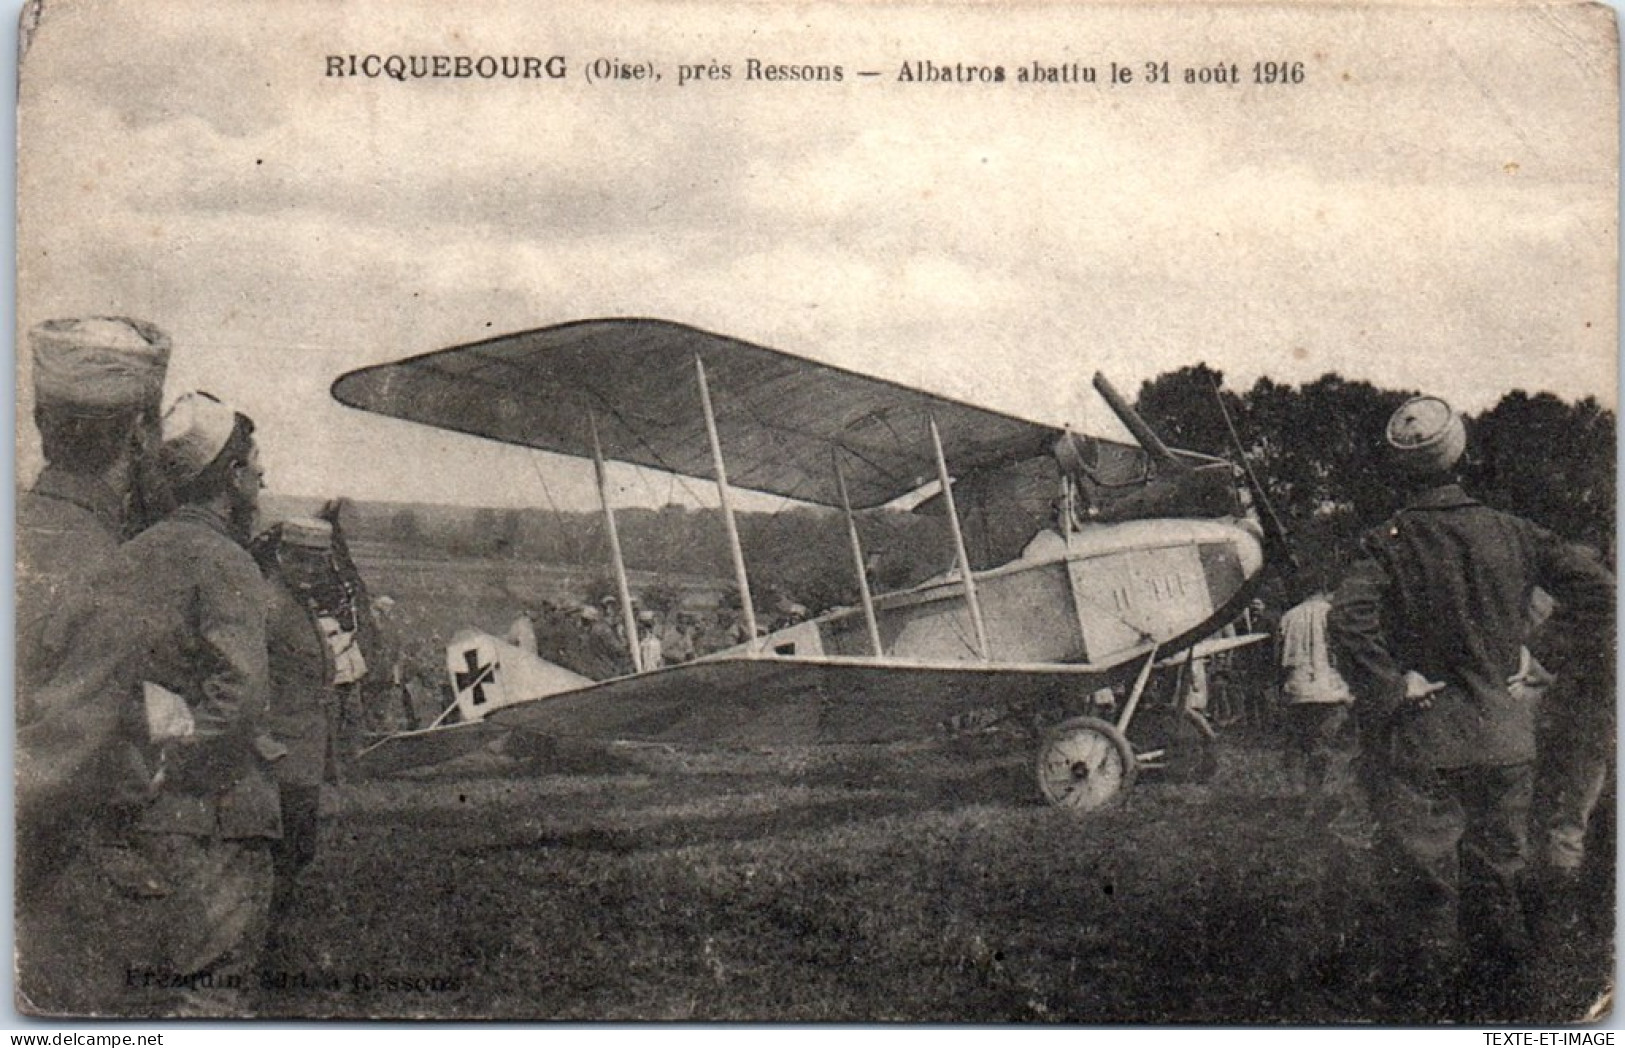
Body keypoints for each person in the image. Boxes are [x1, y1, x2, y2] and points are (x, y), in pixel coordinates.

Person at [1328, 394, 1614, 1018]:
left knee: (1426, 890)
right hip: (1506, 737)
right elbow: (1602, 593)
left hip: (1424, 739)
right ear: (1461, 453)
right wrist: (1538, 656)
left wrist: (1389, 683)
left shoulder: (1387, 542)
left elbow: (1348, 620)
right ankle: (1503, 1011)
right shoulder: (1513, 531)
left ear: (1399, 467)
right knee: (1500, 880)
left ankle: (1427, 1017)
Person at [18, 392, 283, 1016]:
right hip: (219, 819)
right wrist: (186, 761)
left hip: (132, 812)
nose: (262, 477)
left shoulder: (127, 553)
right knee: (210, 997)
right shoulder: (228, 561)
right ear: (228, 477)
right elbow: (239, 696)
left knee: (134, 995)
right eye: (252, 466)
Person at [14, 316, 172, 1013]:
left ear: (42, 419)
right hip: (49, 902)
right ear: (141, 435)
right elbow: (51, 773)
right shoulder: (111, 575)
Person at [251, 518, 339, 958]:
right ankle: (265, 946)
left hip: (302, 753)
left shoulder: (298, 602)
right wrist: (263, 741)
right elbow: (249, 680)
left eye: (318, 562)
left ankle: (273, 939)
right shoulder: (269, 604)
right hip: (278, 756)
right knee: (278, 856)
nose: (310, 570)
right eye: (301, 559)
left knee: (297, 851)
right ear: (282, 555)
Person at [1277, 576, 1356, 801]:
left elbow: (1278, 656)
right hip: (1329, 689)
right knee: (1321, 745)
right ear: (1325, 590)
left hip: (1296, 689)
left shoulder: (1288, 616)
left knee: (1295, 745)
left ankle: (1297, 793)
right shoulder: (1333, 615)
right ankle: (1315, 794)